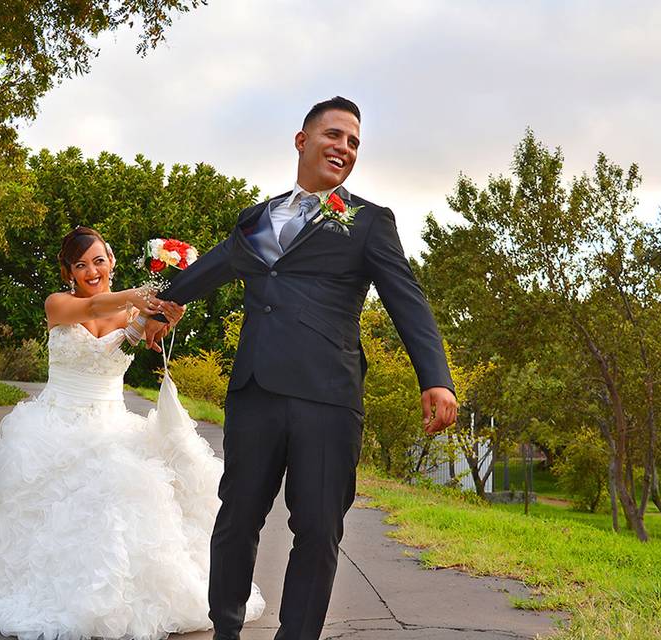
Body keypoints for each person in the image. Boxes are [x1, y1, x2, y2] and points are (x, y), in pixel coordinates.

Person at [144, 97, 459, 640]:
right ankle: (225, 630)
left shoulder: (367, 222)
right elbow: (214, 267)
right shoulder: (257, 218)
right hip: (255, 389)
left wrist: (435, 377)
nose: (344, 147)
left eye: (354, 142)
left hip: (327, 397)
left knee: (316, 529)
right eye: (334, 135)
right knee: (237, 519)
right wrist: (161, 307)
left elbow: (407, 300)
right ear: (302, 140)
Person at [0, 227, 265, 640]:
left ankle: (119, 601)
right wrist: (137, 297)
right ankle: (61, 599)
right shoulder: (59, 305)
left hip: (112, 422)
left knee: (132, 491)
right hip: (56, 425)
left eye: (99, 260)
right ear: (68, 271)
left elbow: (140, 335)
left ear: (111, 262)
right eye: (81, 264)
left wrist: (163, 317)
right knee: (66, 509)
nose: (91, 270)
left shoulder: (130, 314)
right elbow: (97, 306)